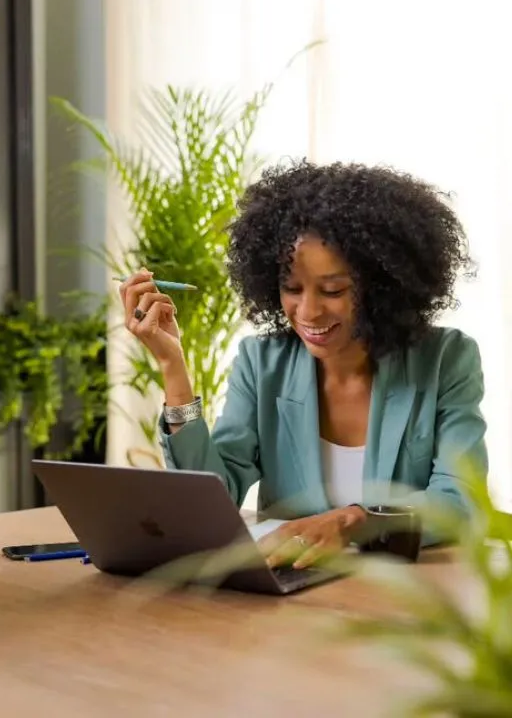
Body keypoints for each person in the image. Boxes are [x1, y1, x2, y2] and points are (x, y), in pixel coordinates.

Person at [119, 160, 488, 570]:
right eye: (291, 288)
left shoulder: (445, 360)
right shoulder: (262, 364)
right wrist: (174, 367)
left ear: (383, 285)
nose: (308, 312)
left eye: (333, 290)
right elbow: (212, 499)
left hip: (402, 604)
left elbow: (460, 502)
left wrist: (353, 522)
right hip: (292, 594)